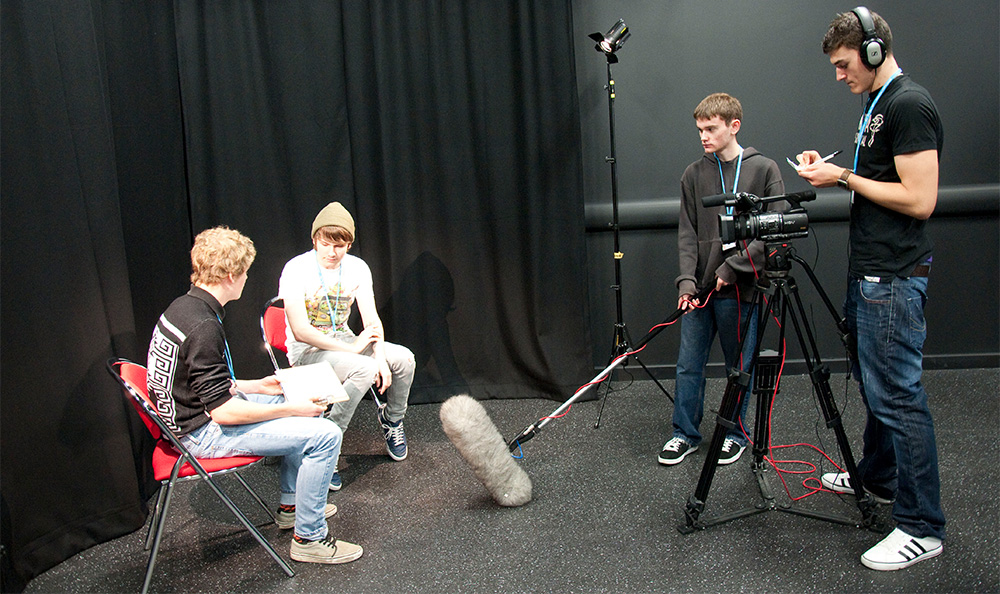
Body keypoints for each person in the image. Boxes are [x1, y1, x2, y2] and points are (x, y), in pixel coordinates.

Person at [795, 7, 945, 571]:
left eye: (843, 63)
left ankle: (923, 527)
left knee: (899, 397)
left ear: (873, 51)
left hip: (895, 279)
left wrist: (845, 179)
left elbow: (920, 199)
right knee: (876, 387)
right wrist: (832, 168)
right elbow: (884, 179)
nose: (839, 75)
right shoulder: (876, 105)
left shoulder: (908, 104)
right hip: (871, 274)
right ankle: (878, 478)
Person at [146, 227, 362, 564]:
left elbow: (197, 384)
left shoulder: (183, 308)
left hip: (188, 417)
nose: (247, 279)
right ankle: (310, 538)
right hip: (198, 434)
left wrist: (255, 386)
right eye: (245, 272)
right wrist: (290, 408)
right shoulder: (204, 327)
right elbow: (224, 413)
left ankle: (292, 506)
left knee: (309, 406)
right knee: (326, 434)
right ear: (231, 275)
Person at [658, 93, 785, 467]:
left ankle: (735, 433)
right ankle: (684, 433)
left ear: (734, 126)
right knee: (688, 364)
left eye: (711, 128)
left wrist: (732, 269)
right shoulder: (693, 175)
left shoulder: (764, 170)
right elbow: (687, 234)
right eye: (699, 129)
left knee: (738, 367)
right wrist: (685, 282)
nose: (704, 136)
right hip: (700, 291)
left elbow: (773, 233)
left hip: (740, 290)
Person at [279, 202, 415, 491]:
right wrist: (353, 350)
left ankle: (392, 420)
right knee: (363, 368)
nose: (331, 252)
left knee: (404, 359)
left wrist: (379, 355)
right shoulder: (296, 269)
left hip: (345, 343)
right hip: (309, 353)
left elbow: (371, 320)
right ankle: (329, 446)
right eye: (325, 243)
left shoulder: (357, 268)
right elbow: (301, 331)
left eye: (339, 246)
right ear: (314, 239)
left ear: (349, 245)